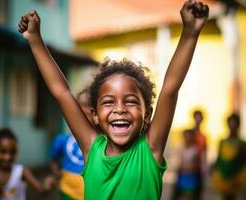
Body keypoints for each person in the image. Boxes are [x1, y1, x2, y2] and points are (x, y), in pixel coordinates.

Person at [18, 1, 209, 199]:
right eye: (109, 102)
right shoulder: (92, 148)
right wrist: (35, 40)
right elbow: (62, 92)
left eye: (131, 101)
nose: (120, 109)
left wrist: (190, 33)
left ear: (147, 115)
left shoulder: (150, 149)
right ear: (95, 116)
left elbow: (170, 88)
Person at [0, 128, 55, 200]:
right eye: (3, 152)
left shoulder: (21, 171)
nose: (7, 157)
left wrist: (46, 185)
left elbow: (40, 188)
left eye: (12, 152)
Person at [49, 88, 93, 200]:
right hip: (67, 191)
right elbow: (53, 159)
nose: (85, 111)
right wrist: (56, 174)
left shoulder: (103, 141)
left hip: (91, 192)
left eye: (90, 106)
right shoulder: (62, 140)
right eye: (80, 106)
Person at [212, 113, 246, 200]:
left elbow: (242, 162)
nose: (232, 126)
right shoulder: (222, 142)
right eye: (230, 123)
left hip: (236, 178)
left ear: (238, 125)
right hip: (223, 176)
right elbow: (219, 158)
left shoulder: (242, 144)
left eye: (234, 123)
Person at [173, 129, 200, 200]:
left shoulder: (195, 150)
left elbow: (197, 165)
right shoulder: (181, 148)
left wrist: (186, 168)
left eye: (189, 136)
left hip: (191, 177)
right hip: (182, 177)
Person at [192, 109, 207, 199]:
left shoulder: (203, 136)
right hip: (189, 168)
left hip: (199, 168)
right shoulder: (189, 133)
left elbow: (204, 153)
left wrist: (204, 168)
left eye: (200, 117)